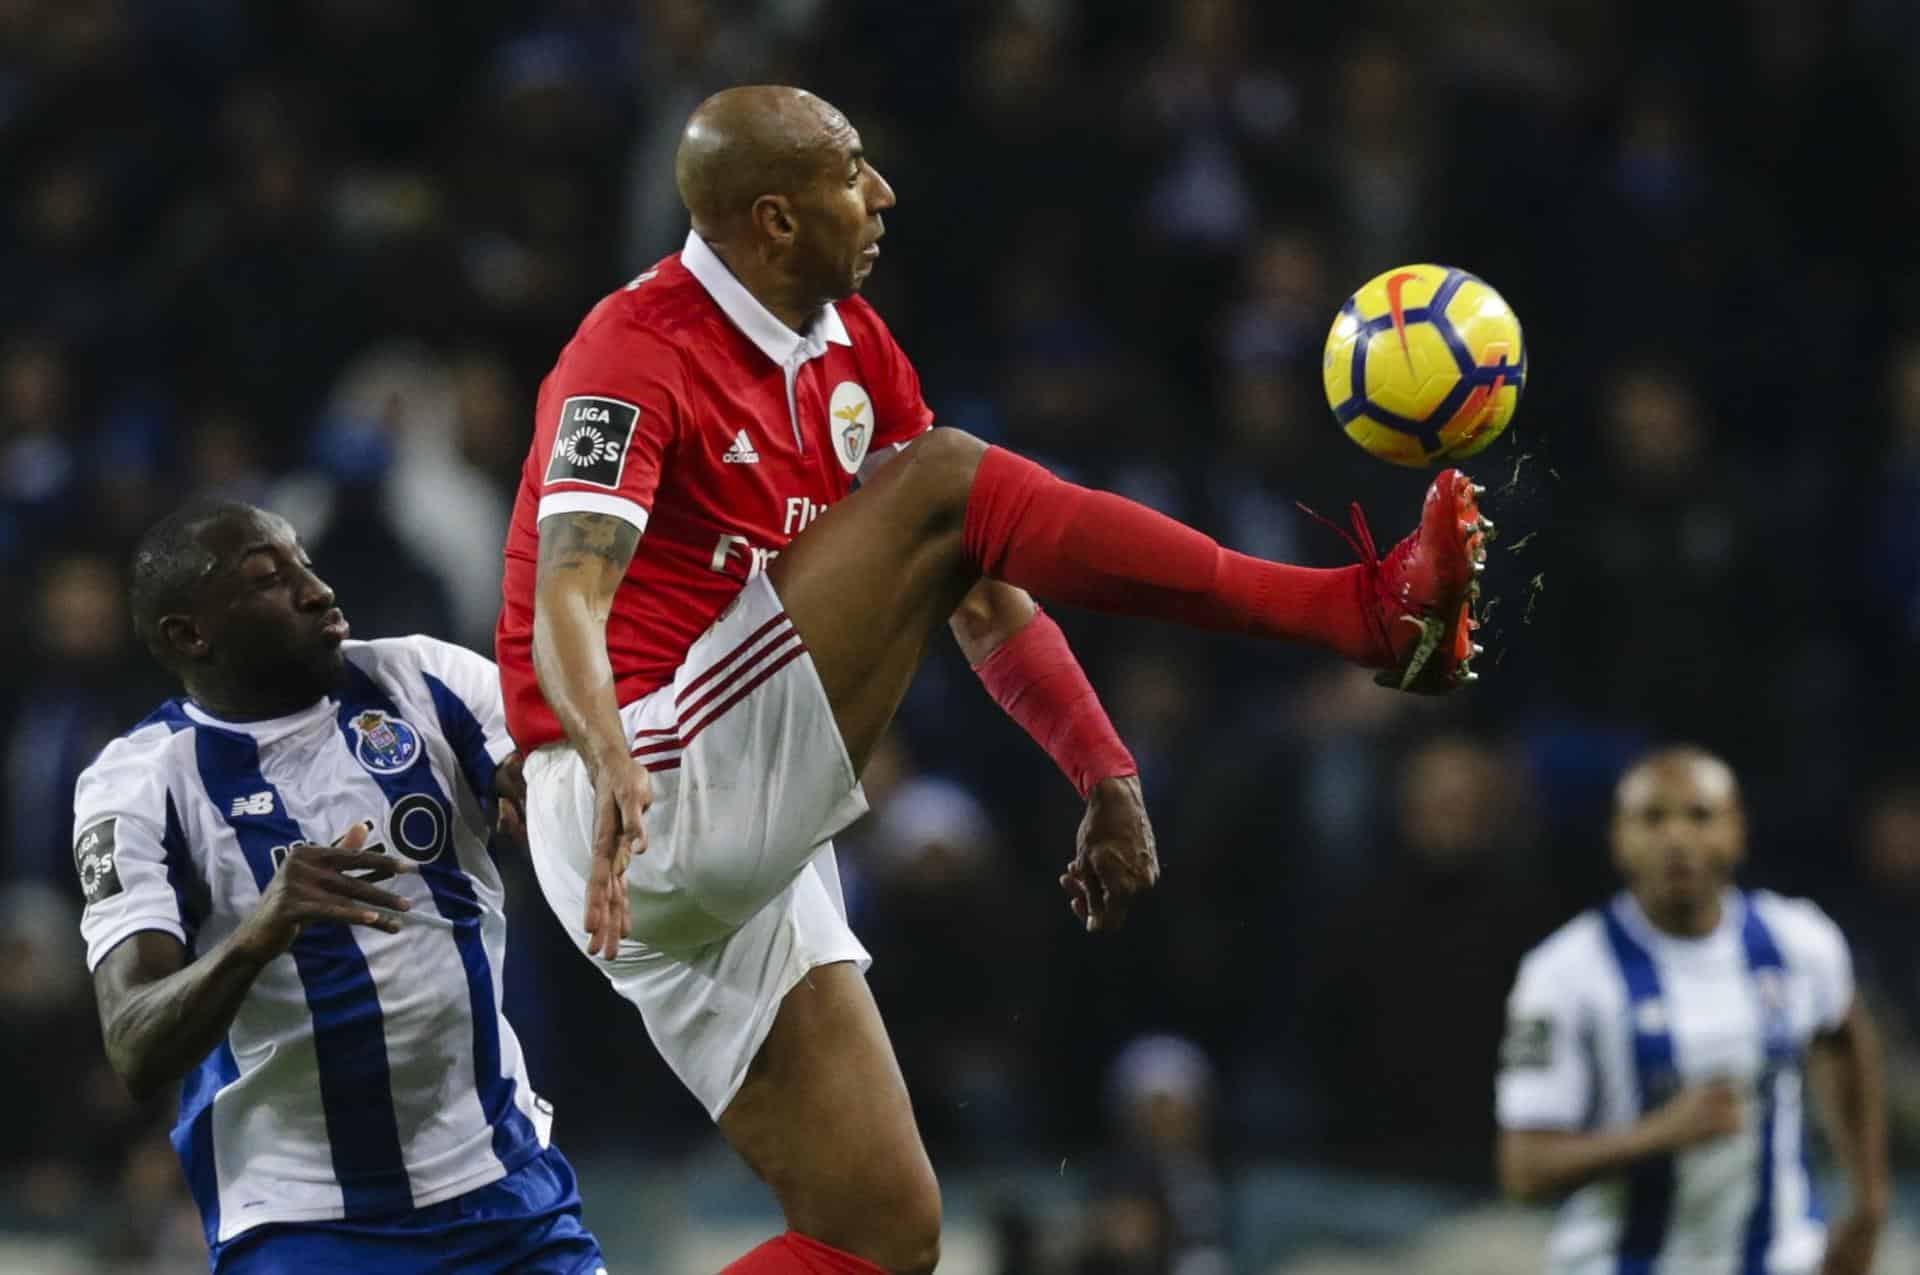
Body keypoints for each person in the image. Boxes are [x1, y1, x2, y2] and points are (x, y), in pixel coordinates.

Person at [498, 85, 1490, 1275]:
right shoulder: (634, 349)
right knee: (945, 480)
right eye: (849, 170)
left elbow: (977, 583)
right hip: (638, 785)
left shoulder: (854, 347)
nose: (881, 194)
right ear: (770, 218)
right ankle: (1355, 612)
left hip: (708, 835)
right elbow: (568, 589)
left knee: (881, 1234)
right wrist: (609, 749)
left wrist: (1101, 766)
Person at [75, 500, 607, 1274]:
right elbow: (133, 1043)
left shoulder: (422, 676)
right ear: (190, 635)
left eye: (303, 562)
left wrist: (557, 789)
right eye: (269, 579)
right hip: (305, 1222)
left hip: (503, 1185)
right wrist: (259, 933)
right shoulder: (139, 783)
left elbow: (544, 771)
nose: (316, 590)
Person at [1496, 747, 1889, 1275]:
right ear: (1618, 839)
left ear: (1738, 831)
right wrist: (1658, 1135)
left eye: (1700, 816)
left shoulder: (1800, 941)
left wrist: (1868, 1203)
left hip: (1781, 1259)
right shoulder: (1563, 972)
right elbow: (1523, 1168)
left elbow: (1843, 1036)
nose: (1677, 838)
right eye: (1653, 818)